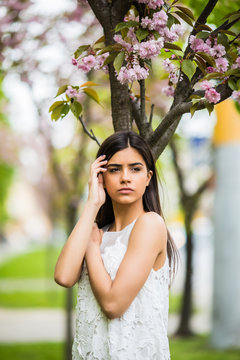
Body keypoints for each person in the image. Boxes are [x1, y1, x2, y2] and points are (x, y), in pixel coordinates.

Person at [54, 130, 178, 360]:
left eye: (135, 168)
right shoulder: (96, 232)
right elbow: (63, 276)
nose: (125, 177)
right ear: (101, 177)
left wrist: (92, 250)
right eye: (114, 169)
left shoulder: (150, 224)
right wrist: (92, 203)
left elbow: (113, 305)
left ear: (148, 177)